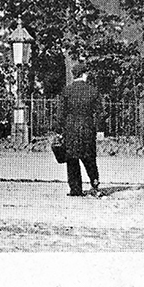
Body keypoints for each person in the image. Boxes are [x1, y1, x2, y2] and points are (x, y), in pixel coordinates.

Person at [53, 61, 102, 198]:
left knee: (72, 160)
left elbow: (60, 113)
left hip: (70, 130)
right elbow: (100, 113)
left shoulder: (66, 91)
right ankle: (95, 183)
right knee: (89, 159)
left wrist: (58, 130)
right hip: (87, 129)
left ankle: (75, 189)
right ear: (84, 74)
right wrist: (98, 128)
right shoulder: (93, 91)